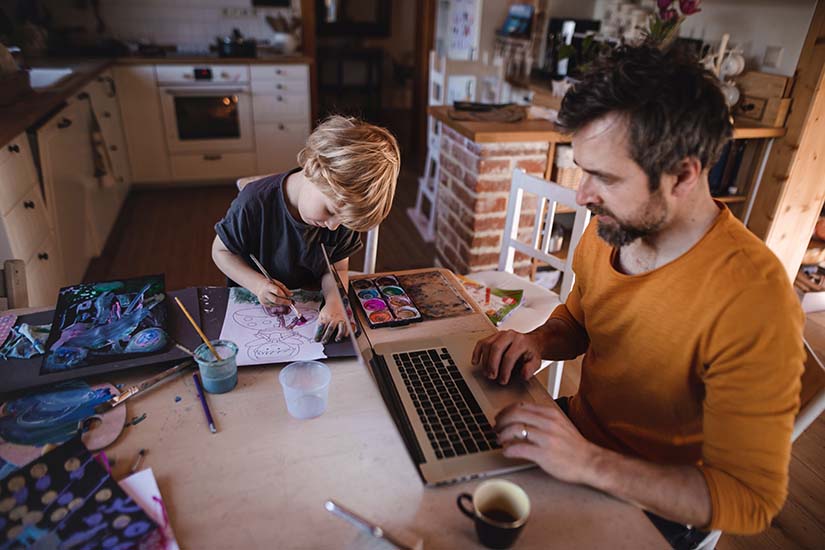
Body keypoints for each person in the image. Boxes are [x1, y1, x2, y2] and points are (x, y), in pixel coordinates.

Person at [472, 45, 804, 546]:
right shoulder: (611, 229)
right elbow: (580, 323)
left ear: (683, 175)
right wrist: (538, 341)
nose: (582, 195)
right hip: (574, 442)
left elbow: (750, 500)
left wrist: (586, 462)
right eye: (584, 170)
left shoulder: (752, 301)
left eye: (604, 177)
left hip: (654, 503)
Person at [213, 116, 400, 343]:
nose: (333, 226)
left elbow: (335, 269)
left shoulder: (342, 215)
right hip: (255, 309)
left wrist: (334, 302)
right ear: (314, 167)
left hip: (309, 313)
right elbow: (221, 252)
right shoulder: (253, 203)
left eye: (342, 221)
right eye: (330, 210)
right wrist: (258, 286)